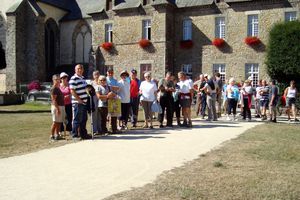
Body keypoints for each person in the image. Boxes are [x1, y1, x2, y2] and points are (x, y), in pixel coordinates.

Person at [69, 64, 91, 139]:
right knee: (77, 119)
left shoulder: (83, 78)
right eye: (78, 68)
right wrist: (79, 99)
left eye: (81, 68)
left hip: (84, 102)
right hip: (77, 103)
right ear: (75, 70)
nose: (80, 70)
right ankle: (74, 135)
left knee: (84, 119)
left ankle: (83, 134)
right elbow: (72, 90)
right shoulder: (73, 78)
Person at [50, 74, 65, 141]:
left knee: (59, 122)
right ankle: (52, 136)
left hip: (60, 106)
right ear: (53, 80)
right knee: (55, 122)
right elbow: (54, 100)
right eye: (56, 79)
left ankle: (57, 135)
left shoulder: (57, 88)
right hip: (56, 107)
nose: (58, 81)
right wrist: (57, 109)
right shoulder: (54, 88)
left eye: (59, 79)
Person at [106, 67, 120, 133]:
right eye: (109, 73)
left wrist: (110, 87)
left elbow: (117, 88)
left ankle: (114, 128)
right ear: (107, 73)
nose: (110, 74)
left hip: (114, 98)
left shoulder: (115, 80)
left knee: (114, 114)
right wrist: (112, 87)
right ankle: (109, 127)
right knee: (108, 115)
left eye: (111, 73)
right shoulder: (105, 79)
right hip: (107, 98)